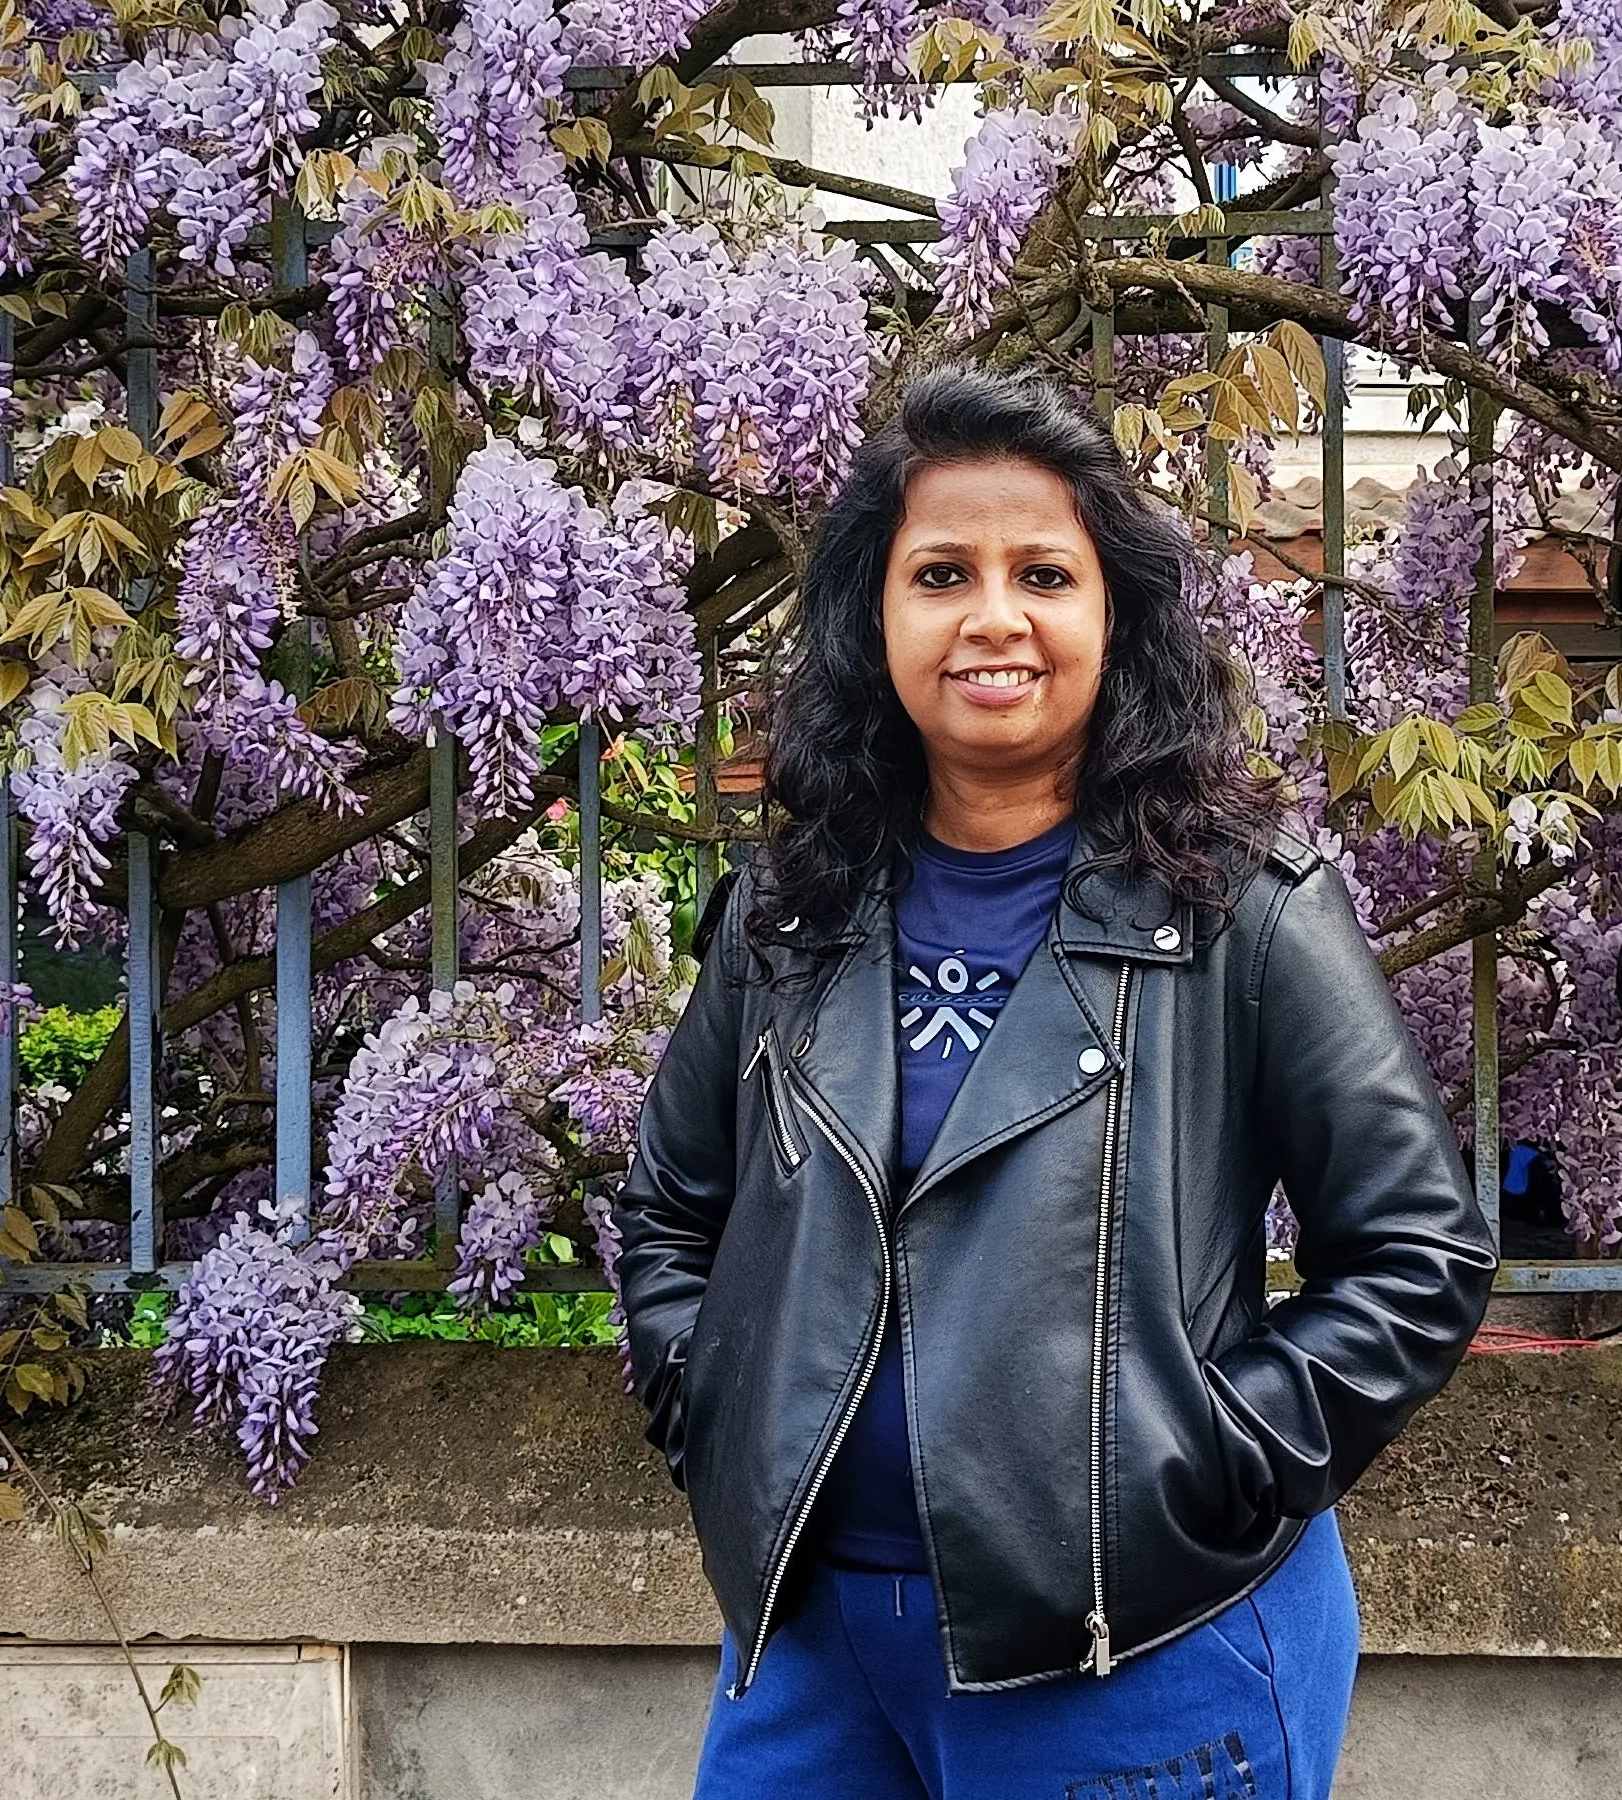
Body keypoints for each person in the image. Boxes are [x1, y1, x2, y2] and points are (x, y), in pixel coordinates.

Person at [614, 367, 1497, 1800]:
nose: (994, 617)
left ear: (1114, 614)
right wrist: (719, 1412)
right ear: (877, 615)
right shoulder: (793, 909)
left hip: (1141, 1647)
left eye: (1045, 573)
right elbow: (670, 1217)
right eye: (941, 573)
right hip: (816, 1647)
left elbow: (1414, 1256)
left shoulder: (1243, 908)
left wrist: (1189, 1474)